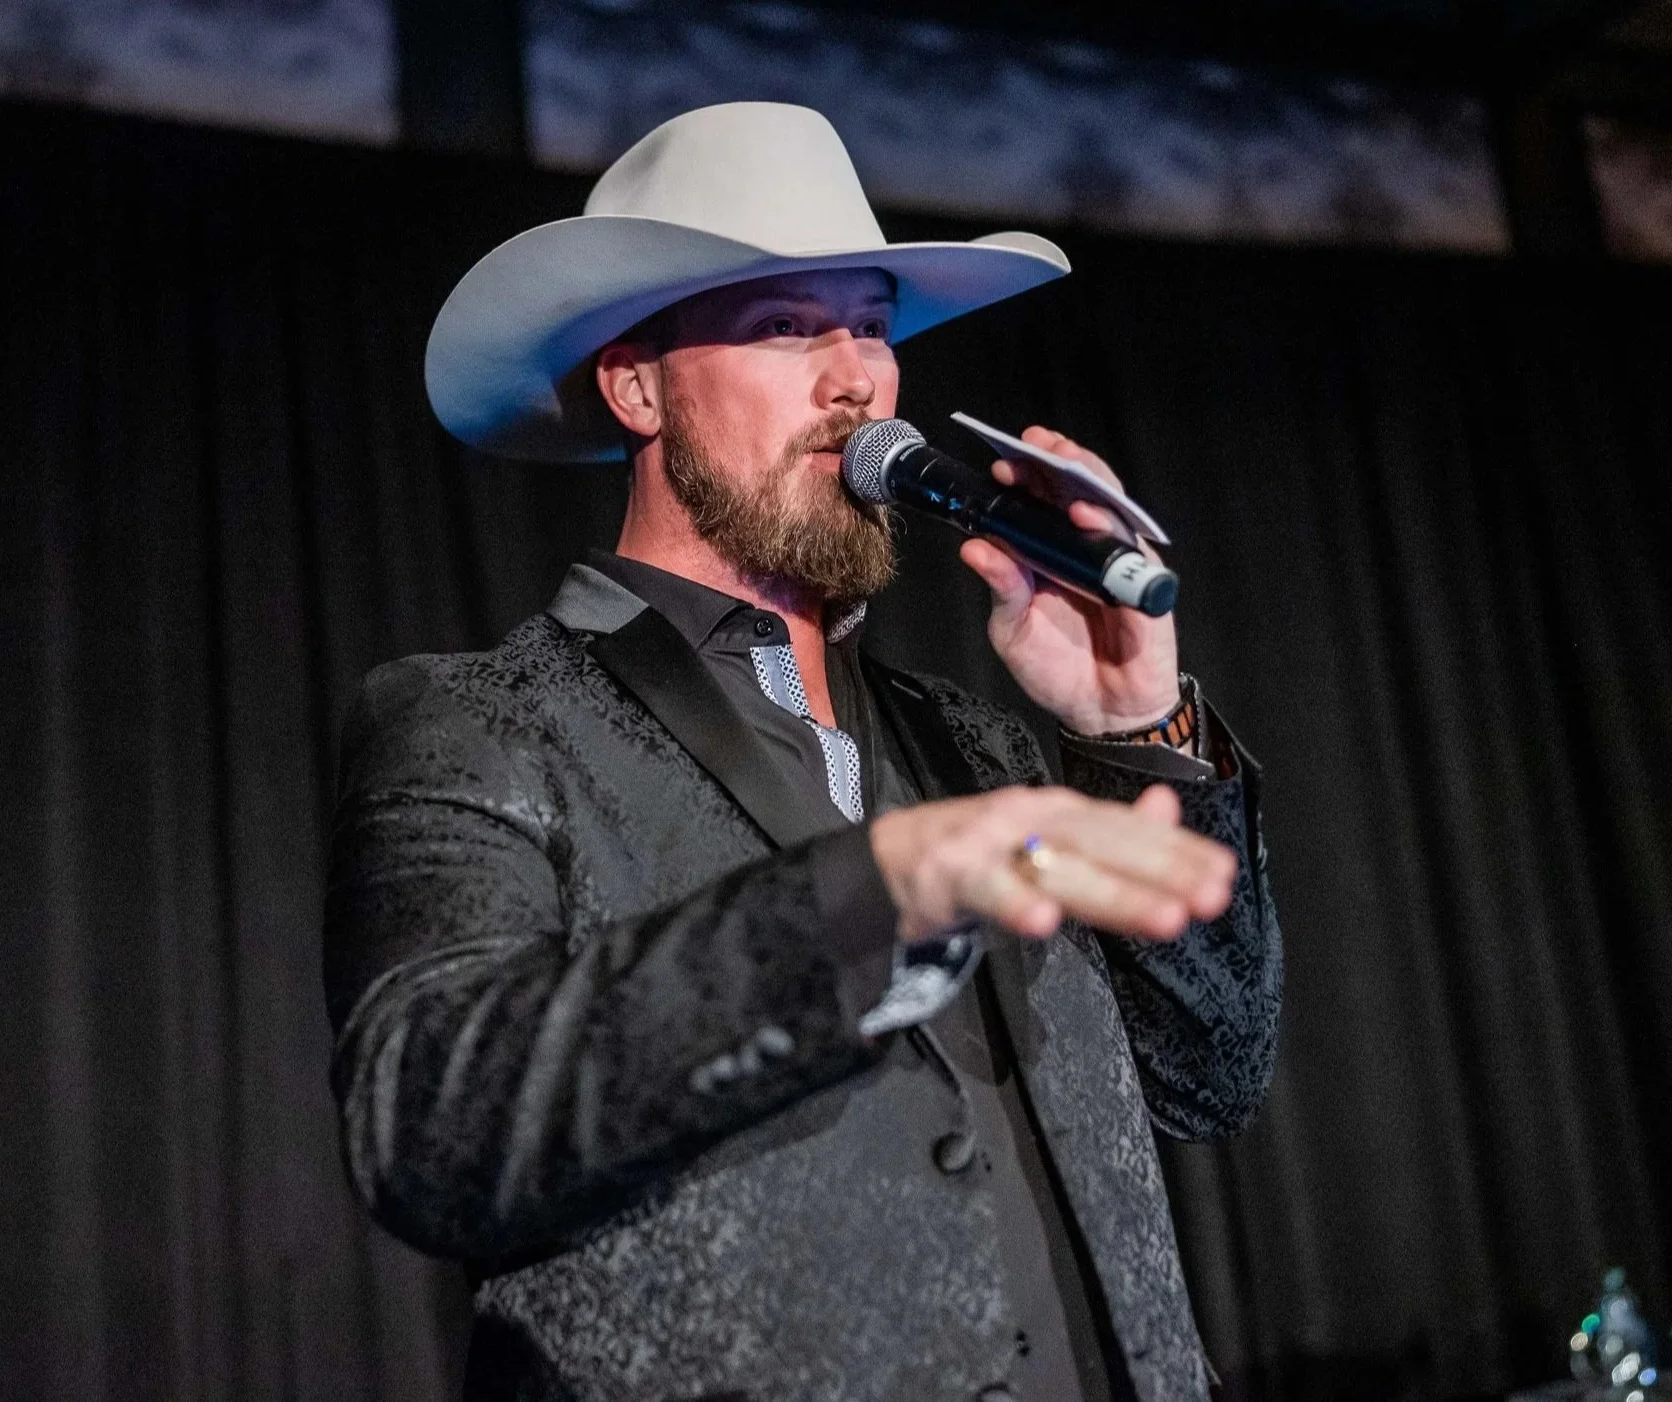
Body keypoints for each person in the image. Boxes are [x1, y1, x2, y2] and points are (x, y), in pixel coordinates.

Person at [325, 102, 1283, 1402]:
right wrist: (871, 894)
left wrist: (1137, 728)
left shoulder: (979, 748)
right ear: (636, 383)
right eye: (788, 325)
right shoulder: (482, 719)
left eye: (873, 325)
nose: (857, 378)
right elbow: (428, 1127)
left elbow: (1210, 1072)